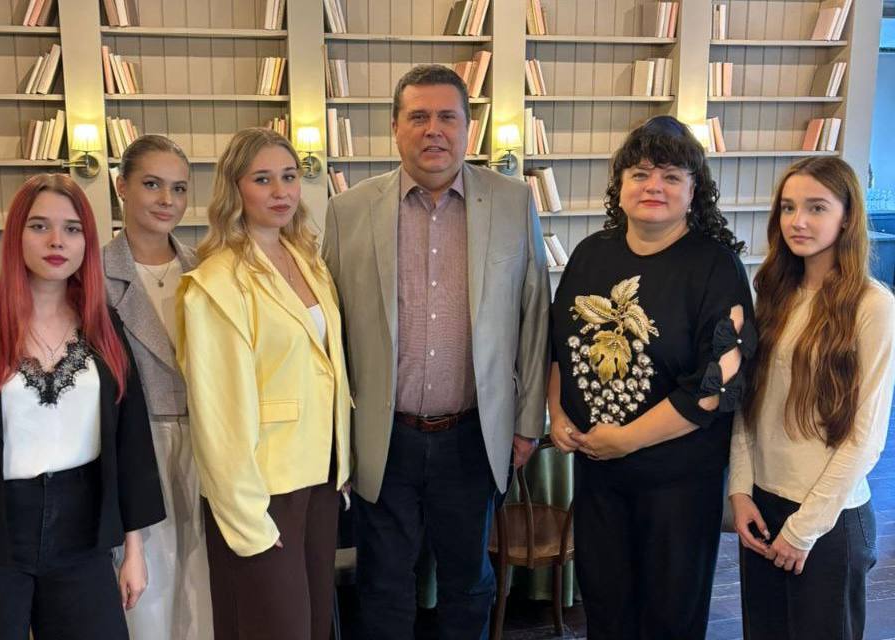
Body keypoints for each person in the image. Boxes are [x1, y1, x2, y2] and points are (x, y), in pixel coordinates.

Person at [322, 63, 550, 639]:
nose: (434, 130)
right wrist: (337, 439)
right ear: (395, 127)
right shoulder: (348, 211)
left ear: (468, 128)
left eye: (448, 117)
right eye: (418, 116)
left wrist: (528, 423)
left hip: (473, 435)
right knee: (382, 584)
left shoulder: (512, 202)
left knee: (469, 584)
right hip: (383, 437)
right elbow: (329, 332)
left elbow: (534, 318)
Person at [548, 115, 756, 639]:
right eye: (640, 174)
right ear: (620, 186)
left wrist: (627, 440)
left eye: (670, 176)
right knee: (606, 613)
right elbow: (559, 343)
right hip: (600, 478)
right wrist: (557, 410)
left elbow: (716, 384)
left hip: (678, 485)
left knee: (669, 619)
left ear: (693, 191)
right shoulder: (591, 254)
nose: (653, 187)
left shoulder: (715, 267)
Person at [0, 173, 165, 640]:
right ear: (15, 235)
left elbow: (131, 443)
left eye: (72, 228)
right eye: (39, 226)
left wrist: (134, 549)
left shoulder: (103, 330)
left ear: (87, 241)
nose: (57, 241)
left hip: (82, 537)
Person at [176, 127, 351, 640]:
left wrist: (342, 463)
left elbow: (329, 368)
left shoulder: (309, 261)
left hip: (319, 477)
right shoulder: (216, 282)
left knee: (314, 626)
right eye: (262, 179)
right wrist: (246, 516)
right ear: (235, 189)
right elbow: (217, 414)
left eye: (289, 177)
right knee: (274, 627)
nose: (280, 191)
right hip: (263, 490)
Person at [729, 156, 894, 640]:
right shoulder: (774, 294)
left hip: (829, 521)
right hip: (763, 506)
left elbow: (866, 438)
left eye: (816, 207)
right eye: (788, 207)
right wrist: (740, 492)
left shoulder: (874, 305)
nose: (797, 221)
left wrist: (804, 529)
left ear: (847, 217)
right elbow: (749, 405)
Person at [103, 135, 213, 639]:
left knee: (204, 587)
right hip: (135, 446)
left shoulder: (206, 268)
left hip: (208, 441)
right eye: (152, 184)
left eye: (179, 188)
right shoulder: (93, 274)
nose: (168, 199)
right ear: (121, 186)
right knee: (145, 593)